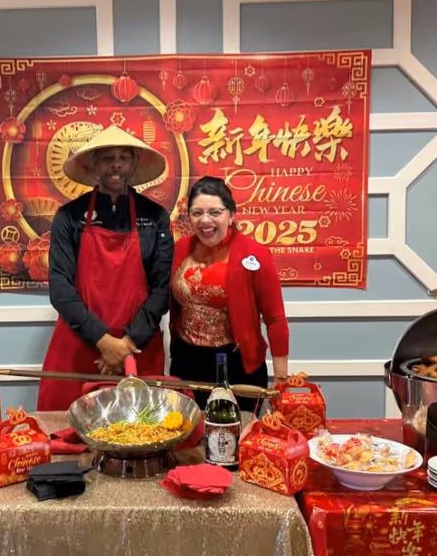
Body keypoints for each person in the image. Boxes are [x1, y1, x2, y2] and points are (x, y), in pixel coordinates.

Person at [37, 126, 173, 411]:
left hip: (138, 346)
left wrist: (125, 344)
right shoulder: (69, 216)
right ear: (93, 164)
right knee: (69, 436)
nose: (116, 165)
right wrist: (104, 342)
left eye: (124, 157)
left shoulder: (155, 216)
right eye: (108, 158)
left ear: (134, 163)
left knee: (140, 430)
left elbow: (162, 289)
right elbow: (60, 288)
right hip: (80, 343)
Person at [169, 176, 290, 411]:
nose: (205, 220)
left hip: (236, 363)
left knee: (237, 435)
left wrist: (281, 378)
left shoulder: (254, 254)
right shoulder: (181, 248)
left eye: (215, 212)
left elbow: (275, 319)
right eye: (197, 213)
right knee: (190, 437)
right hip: (187, 360)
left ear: (231, 215)